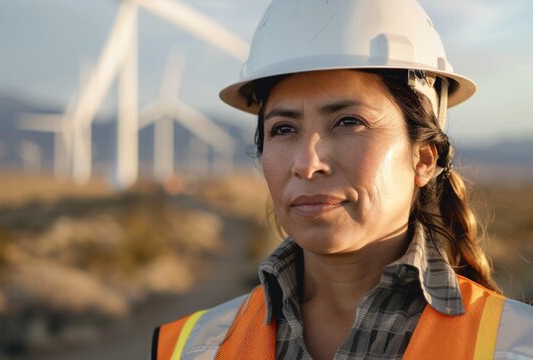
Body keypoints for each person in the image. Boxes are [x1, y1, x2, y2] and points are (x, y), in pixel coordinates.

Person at [151, 1, 533, 359]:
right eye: (283, 129)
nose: (307, 163)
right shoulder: (193, 348)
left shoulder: (515, 345)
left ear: (424, 158)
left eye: (349, 122)